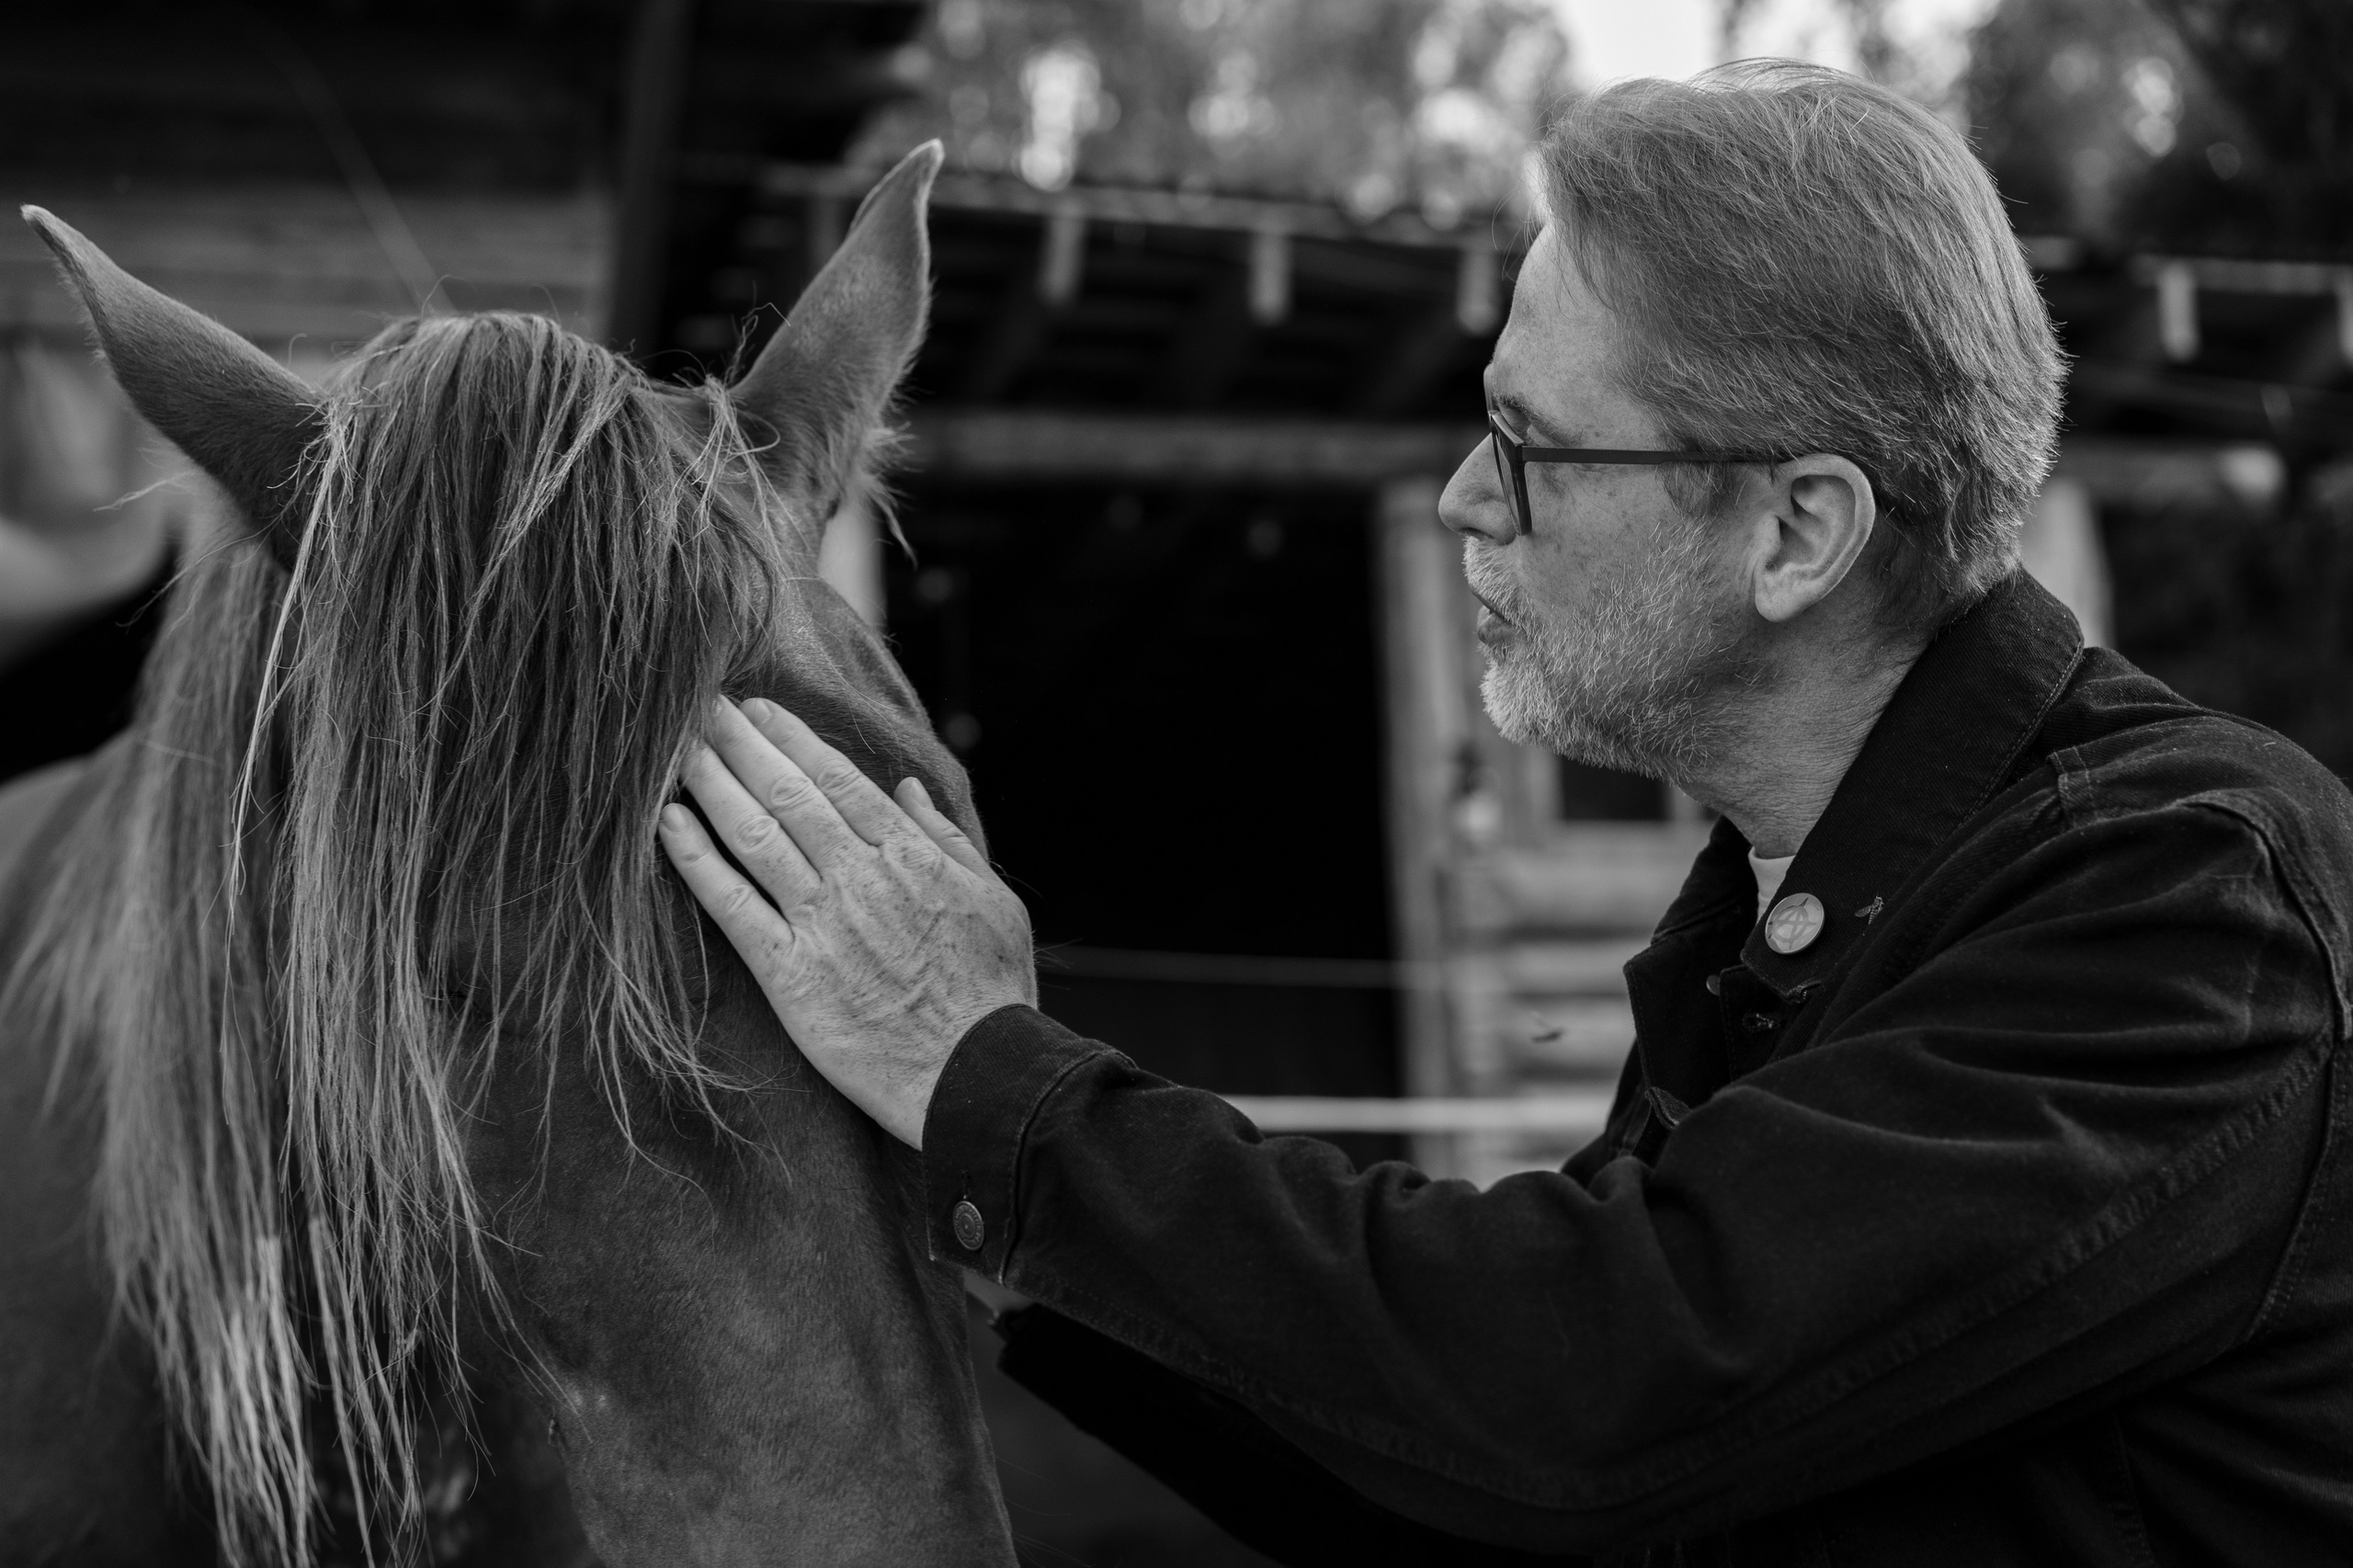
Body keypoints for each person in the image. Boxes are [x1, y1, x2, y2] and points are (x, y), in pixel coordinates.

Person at [659, 62, 2353, 1566]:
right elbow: (1475, 1491)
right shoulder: (1771, 921)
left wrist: (998, 1089)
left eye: (1532, 443)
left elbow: (1598, 1393)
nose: (1468, 494)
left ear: (1796, 536)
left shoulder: (2194, 904)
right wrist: (1005, 1237)